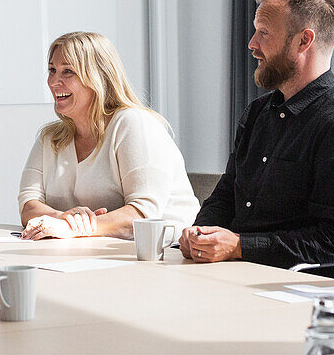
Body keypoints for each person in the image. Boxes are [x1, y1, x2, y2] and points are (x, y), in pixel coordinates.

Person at [182, 0, 334, 266]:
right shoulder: (256, 114)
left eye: (264, 33)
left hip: (291, 291)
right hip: (231, 276)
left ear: (305, 40)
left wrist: (240, 246)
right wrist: (199, 233)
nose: (252, 44)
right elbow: (226, 195)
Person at [17, 31, 199, 239]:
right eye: (52, 70)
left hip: (162, 257)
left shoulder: (133, 123)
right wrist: (62, 217)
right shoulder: (50, 138)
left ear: (98, 77)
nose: (54, 82)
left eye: (67, 71)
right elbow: (28, 205)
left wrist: (72, 228)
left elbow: (143, 215)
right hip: (87, 255)